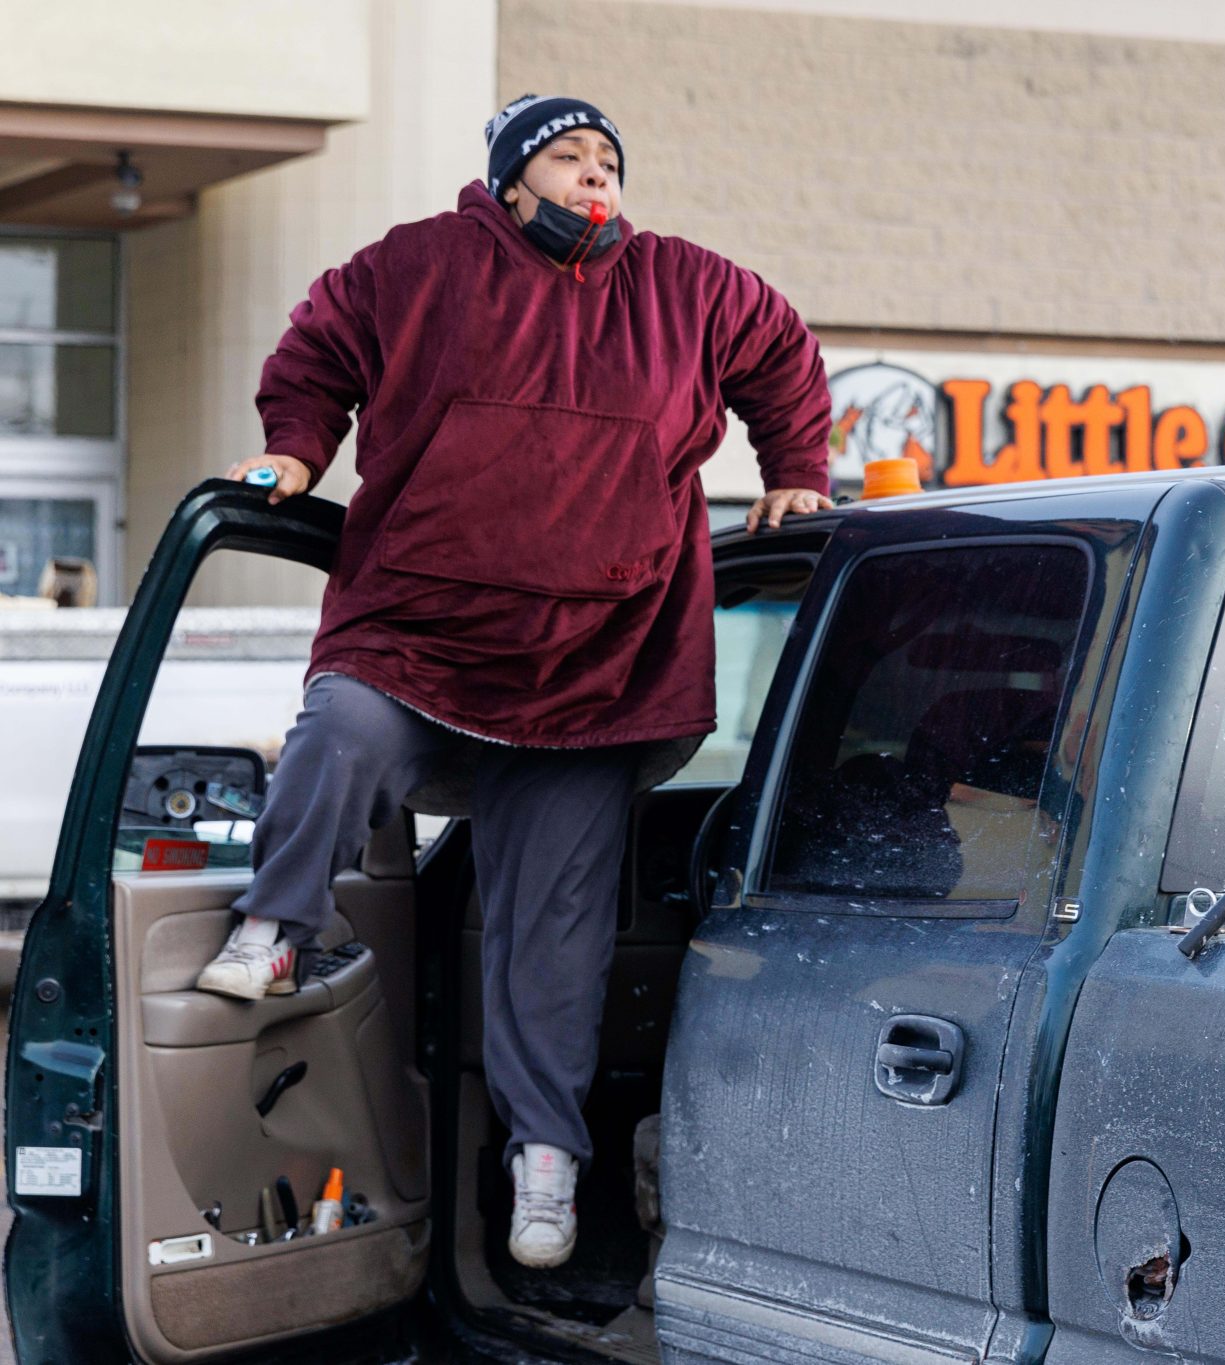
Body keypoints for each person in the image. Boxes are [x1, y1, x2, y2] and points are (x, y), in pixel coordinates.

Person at [191, 94, 832, 1269]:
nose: (597, 175)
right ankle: (279, 924)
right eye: (568, 155)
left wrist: (794, 468)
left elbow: (781, 351)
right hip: (419, 634)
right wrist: (296, 446)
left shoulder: (685, 286)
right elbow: (319, 347)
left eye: (609, 159)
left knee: (555, 934)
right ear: (509, 181)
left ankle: (546, 1163)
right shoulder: (417, 267)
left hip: (599, 672)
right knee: (340, 730)